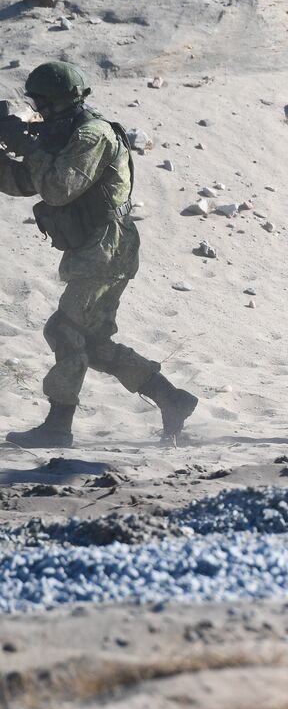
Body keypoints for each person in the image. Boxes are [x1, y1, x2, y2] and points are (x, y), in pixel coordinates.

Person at [0, 61, 197, 448]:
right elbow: (26, 182)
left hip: (107, 247)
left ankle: (58, 427)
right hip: (94, 246)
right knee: (92, 344)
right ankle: (172, 399)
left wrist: (26, 145)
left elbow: (58, 188)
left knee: (65, 330)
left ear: (57, 101)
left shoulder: (92, 135)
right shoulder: (64, 134)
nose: (37, 108)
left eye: (41, 101)